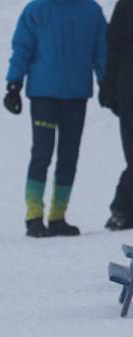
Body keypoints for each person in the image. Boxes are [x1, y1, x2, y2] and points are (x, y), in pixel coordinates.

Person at [4, 0, 107, 237]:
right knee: (42, 153)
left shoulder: (91, 11)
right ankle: (34, 216)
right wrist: (14, 83)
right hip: (44, 95)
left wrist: (106, 81)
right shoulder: (37, 10)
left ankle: (58, 216)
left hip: (77, 95)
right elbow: (22, 48)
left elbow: (102, 49)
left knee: (69, 156)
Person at [99, 0, 133, 230]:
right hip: (128, 91)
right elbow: (112, 45)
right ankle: (121, 209)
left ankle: (122, 208)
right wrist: (108, 87)